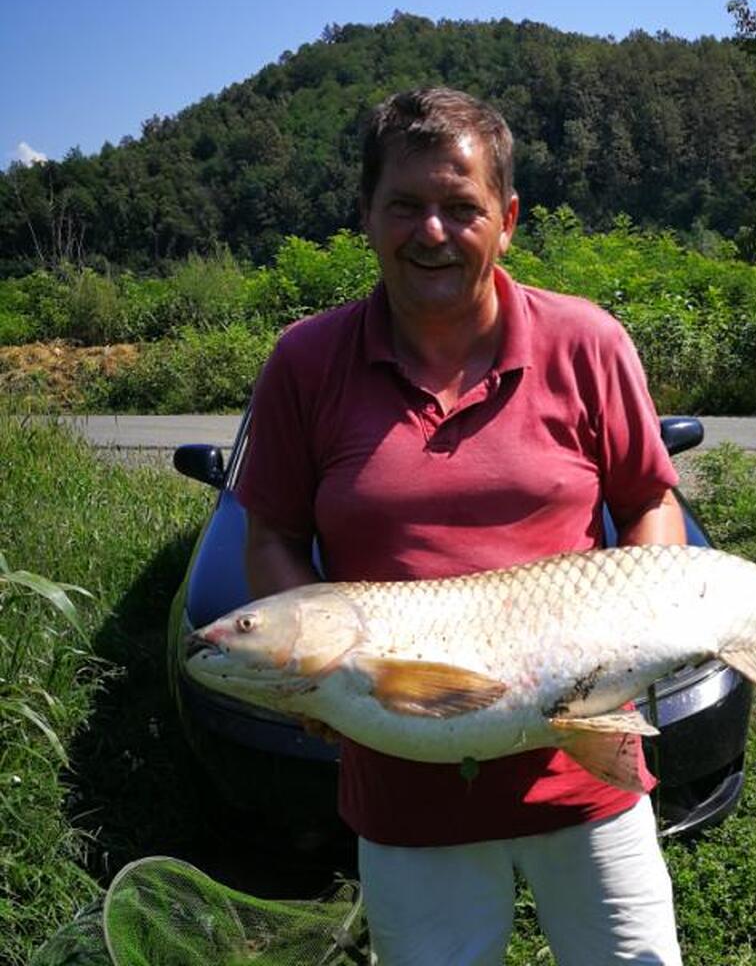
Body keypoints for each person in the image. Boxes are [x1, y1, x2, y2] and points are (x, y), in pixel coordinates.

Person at [236, 87, 687, 965]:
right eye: (404, 205)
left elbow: (648, 504)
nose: (432, 232)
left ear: (507, 220)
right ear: (366, 216)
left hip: (588, 766)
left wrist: (633, 647)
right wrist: (310, 670)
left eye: (461, 207)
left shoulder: (587, 342)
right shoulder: (306, 361)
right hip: (404, 785)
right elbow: (272, 535)